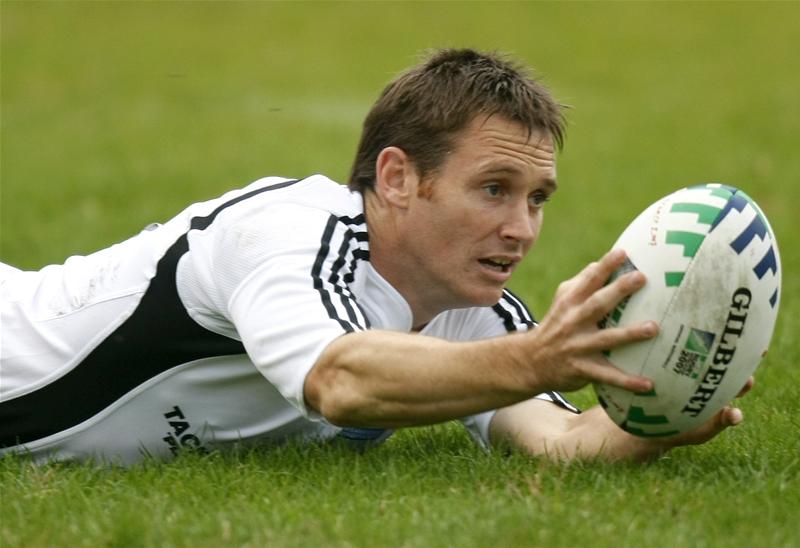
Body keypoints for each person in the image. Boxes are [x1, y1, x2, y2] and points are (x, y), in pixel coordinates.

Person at [0, 48, 748, 465]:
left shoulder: (475, 313)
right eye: (494, 189)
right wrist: (537, 360)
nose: (521, 228)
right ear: (397, 178)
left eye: (537, 198)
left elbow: (560, 441)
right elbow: (342, 379)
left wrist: (654, 421)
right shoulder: (283, 231)